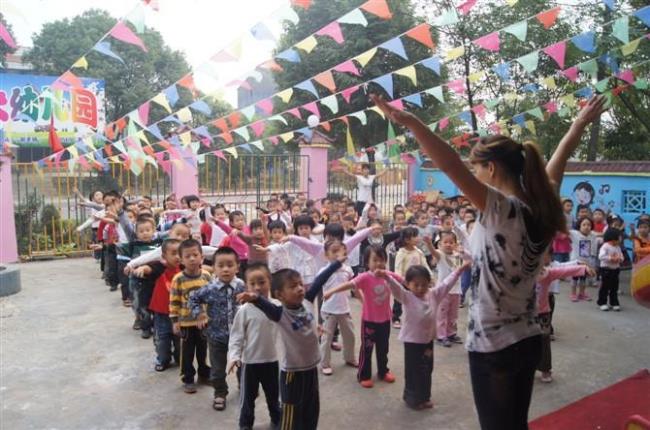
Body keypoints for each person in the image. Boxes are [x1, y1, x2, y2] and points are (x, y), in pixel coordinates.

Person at [372, 92, 605, 429]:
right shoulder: (541, 207)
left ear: (491, 169)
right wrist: (578, 124)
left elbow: (449, 163)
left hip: (495, 347)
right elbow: (558, 161)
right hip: (527, 338)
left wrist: (410, 122)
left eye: (476, 168)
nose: (472, 174)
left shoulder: (502, 209)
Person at [236, 256, 346, 430]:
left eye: (300, 284)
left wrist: (336, 263)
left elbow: (320, 280)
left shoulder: (307, 302)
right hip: (292, 375)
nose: (300, 289)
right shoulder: (280, 314)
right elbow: (265, 306)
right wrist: (254, 298)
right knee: (290, 414)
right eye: (293, 286)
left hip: (311, 369)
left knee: (311, 409)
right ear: (279, 294)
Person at [380, 261, 470, 410]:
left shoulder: (434, 294)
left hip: (427, 341)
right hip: (412, 343)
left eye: (424, 284)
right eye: (416, 285)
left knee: (427, 369)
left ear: (429, 283)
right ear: (408, 284)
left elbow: (447, 284)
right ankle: (412, 399)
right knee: (413, 371)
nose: (421, 288)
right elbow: (395, 289)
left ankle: (424, 397)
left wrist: (459, 271)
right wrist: (387, 278)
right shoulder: (407, 296)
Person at [324, 245, 400, 387]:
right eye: (375, 260)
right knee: (367, 349)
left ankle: (383, 371)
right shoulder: (365, 277)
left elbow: (403, 280)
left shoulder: (388, 275)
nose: (379, 264)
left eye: (382, 260)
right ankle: (363, 375)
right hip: (369, 321)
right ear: (367, 263)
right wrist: (331, 291)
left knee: (383, 348)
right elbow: (348, 285)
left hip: (385, 320)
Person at [189, 246, 246, 411]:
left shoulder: (242, 286)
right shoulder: (210, 288)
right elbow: (193, 299)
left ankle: (244, 387)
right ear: (214, 268)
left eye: (230, 265)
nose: (226, 269)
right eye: (221, 265)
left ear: (237, 266)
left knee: (243, 365)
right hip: (216, 337)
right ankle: (220, 393)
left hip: (240, 336)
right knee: (218, 369)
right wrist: (199, 314)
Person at [227, 263, 281, 430]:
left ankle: (278, 421)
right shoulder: (244, 310)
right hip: (249, 363)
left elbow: (291, 329)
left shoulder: (278, 307)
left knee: (274, 397)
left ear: (269, 282)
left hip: (273, 361)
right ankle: (245, 425)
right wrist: (234, 357)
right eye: (252, 283)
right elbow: (236, 336)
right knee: (247, 399)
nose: (257, 287)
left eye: (262, 282)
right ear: (246, 285)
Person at [535, 250, 594, 383]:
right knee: (524, 343)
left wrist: (584, 269)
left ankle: (545, 370)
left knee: (544, 343)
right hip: (524, 315)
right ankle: (523, 369)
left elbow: (565, 270)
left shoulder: (548, 272)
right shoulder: (519, 273)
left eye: (547, 254)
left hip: (543, 313)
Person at [169, 239, 213, 394]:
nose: (192, 259)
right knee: (187, 353)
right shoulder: (178, 279)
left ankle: (204, 374)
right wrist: (175, 321)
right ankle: (188, 378)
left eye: (195, 255)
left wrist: (211, 317)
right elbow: (174, 301)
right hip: (186, 324)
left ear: (202, 257)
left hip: (203, 323)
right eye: (188, 256)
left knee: (203, 350)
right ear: (181, 259)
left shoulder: (207, 276)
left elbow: (212, 298)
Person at [316, 240, 356, 376]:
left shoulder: (348, 270)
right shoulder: (324, 271)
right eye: (334, 251)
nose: (338, 254)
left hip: (344, 309)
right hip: (329, 310)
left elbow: (353, 284)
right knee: (326, 339)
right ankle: (324, 363)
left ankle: (350, 357)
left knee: (349, 336)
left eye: (340, 250)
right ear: (326, 255)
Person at [146, 239, 182, 371]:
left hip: (179, 313)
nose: (177, 256)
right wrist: (142, 268)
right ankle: (163, 359)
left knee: (179, 339)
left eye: (180, 253)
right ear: (164, 256)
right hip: (161, 312)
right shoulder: (159, 268)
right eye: (173, 253)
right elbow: (149, 269)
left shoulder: (185, 270)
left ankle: (180, 358)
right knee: (162, 339)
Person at [430, 231, 469, 347]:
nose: (448, 244)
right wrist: (428, 243)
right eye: (445, 242)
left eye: (451, 242)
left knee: (453, 314)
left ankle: (451, 333)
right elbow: (433, 252)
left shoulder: (458, 255)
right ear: (440, 244)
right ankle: (441, 336)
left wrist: (462, 250)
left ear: (455, 244)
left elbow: (469, 259)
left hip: (456, 290)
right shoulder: (440, 254)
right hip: (443, 291)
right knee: (441, 314)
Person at [569, 217, 598, 302]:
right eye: (584, 224)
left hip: (586, 263)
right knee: (574, 279)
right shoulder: (574, 234)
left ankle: (582, 293)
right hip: (576, 262)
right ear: (579, 226)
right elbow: (564, 231)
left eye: (589, 225)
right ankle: (573, 294)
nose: (586, 227)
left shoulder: (592, 235)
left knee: (583, 279)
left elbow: (601, 234)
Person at [598, 228, 624, 311]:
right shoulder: (605, 246)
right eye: (619, 237)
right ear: (613, 238)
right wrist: (610, 258)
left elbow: (621, 256)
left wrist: (620, 259)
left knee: (614, 287)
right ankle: (602, 302)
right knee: (605, 287)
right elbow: (601, 256)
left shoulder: (618, 247)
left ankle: (614, 302)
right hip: (606, 269)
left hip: (615, 269)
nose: (620, 239)